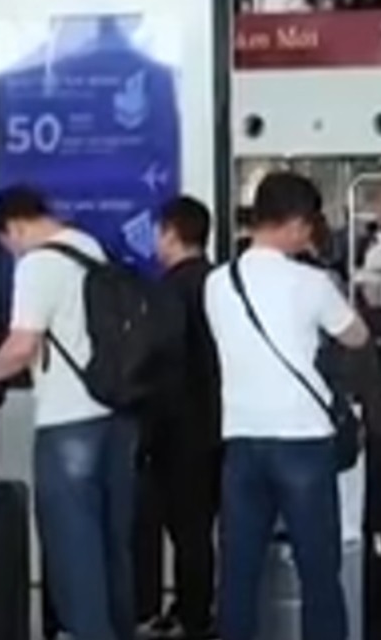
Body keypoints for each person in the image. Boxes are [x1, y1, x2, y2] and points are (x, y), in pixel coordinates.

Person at [0, 187, 138, 640]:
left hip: (68, 423)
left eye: (8, 246)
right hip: (116, 417)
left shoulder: (39, 264)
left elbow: (22, 345)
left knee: (73, 546)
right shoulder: (92, 251)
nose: (13, 254)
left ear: (13, 227)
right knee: (112, 544)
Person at [207, 172, 372, 640]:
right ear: (297, 222)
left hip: (241, 440)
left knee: (239, 574)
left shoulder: (218, 282)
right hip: (303, 441)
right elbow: (356, 335)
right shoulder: (311, 282)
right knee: (319, 571)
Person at [138, 196, 221, 640]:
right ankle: (199, 607)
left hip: (178, 427)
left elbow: (163, 365)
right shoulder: (222, 283)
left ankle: (193, 615)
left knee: (185, 530)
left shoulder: (167, 291)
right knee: (203, 527)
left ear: (171, 233)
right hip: (222, 422)